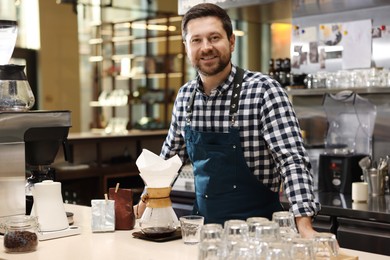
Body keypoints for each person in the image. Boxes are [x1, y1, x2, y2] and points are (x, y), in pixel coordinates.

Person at [135, 3, 321, 239]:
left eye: (214, 38)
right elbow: (168, 161)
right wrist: (144, 205)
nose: (206, 47)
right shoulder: (185, 97)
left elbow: (292, 161)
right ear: (186, 47)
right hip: (205, 236)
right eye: (196, 40)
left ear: (231, 42)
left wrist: (303, 224)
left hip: (260, 236)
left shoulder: (264, 91)